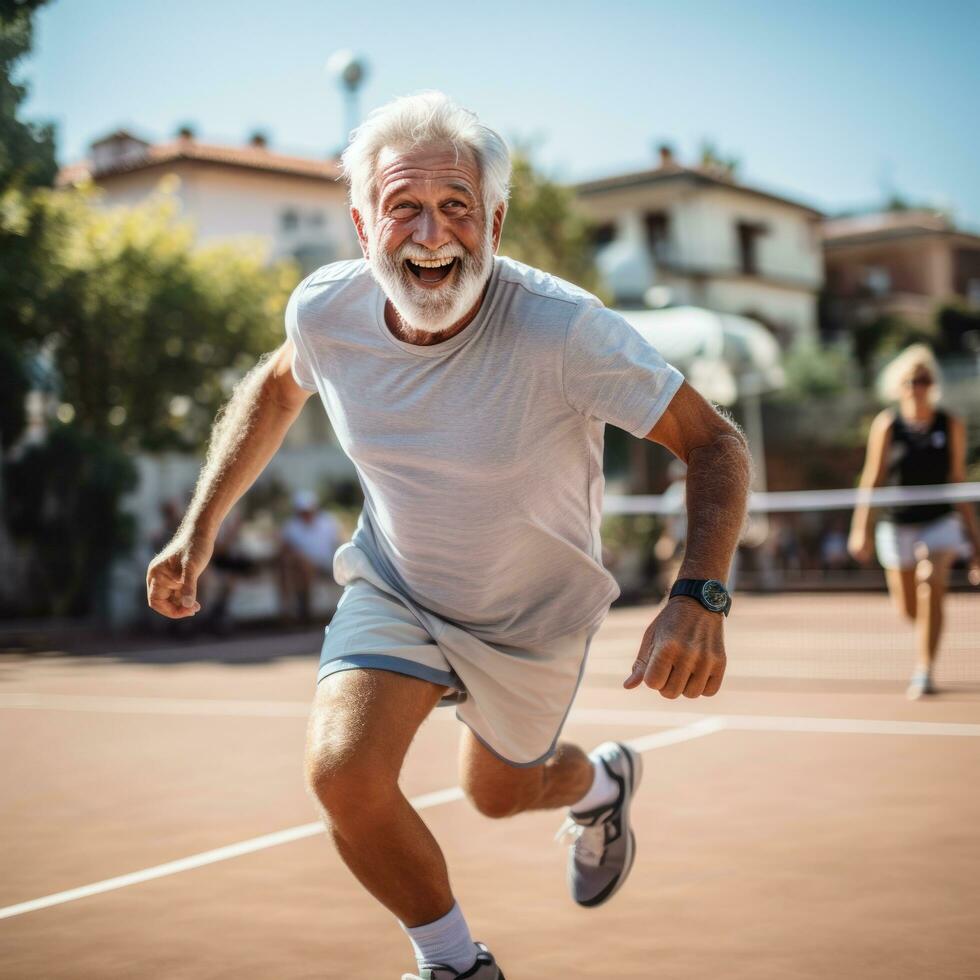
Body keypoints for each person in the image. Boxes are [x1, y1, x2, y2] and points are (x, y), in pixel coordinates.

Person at [146, 92, 751, 980]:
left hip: (531, 616)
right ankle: (457, 965)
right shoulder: (327, 311)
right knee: (343, 776)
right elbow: (276, 388)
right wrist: (199, 526)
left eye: (458, 206)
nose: (434, 234)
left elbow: (715, 443)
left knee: (496, 796)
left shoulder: (565, 331)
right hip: (398, 584)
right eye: (404, 208)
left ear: (496, 221)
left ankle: (601, 784)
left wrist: (699, 593)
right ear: (362, 225)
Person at [848, 344, 980, 699]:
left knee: (931, 580)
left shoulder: (949, 423)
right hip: (897, 525)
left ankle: (924, 670)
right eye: (910, 381)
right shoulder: (888, 424)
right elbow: (872, 478)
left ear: (932, 384)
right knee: (910, 609)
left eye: (923, 380)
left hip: (940, 521)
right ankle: (929, 632)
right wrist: (860, 528)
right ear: (899, 386)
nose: (916, 387)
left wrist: (976, 543)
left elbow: (956, 479)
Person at [279, 489, 343, 623]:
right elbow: (285, 551)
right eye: (303, 511)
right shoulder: (291, 527)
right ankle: (295, 610)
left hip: (326, 564)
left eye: (308, 511)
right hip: (301, 567)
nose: (306, 514)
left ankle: (301, 611)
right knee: (297, 567)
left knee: (302, 566)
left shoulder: (328, 522)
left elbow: (338, 544)